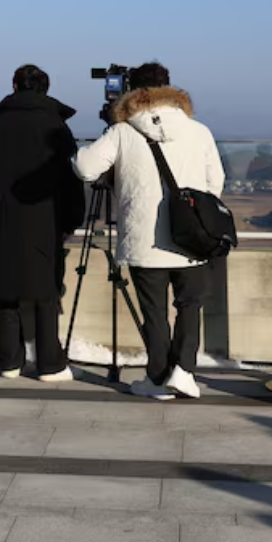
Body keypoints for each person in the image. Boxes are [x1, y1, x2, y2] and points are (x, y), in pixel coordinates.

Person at [72, 62, 225, 400]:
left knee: (154, 311)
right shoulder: (198, 131)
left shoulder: (123, 131)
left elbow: (85, 169)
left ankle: (157, 380)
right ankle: (184, 371)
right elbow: (217, 182)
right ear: (169, 90)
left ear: (132, 93)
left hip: (144, 240)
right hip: (192, 238)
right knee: (189, 304)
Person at [0, 64, 86, 381]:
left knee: (4, 288)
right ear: (45, 89)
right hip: (45, 218)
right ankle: (50, 364)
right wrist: (74, 218)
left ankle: (9, 361)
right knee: (46, 291)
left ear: (15, 86)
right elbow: (72, 179)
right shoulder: (56, 129)